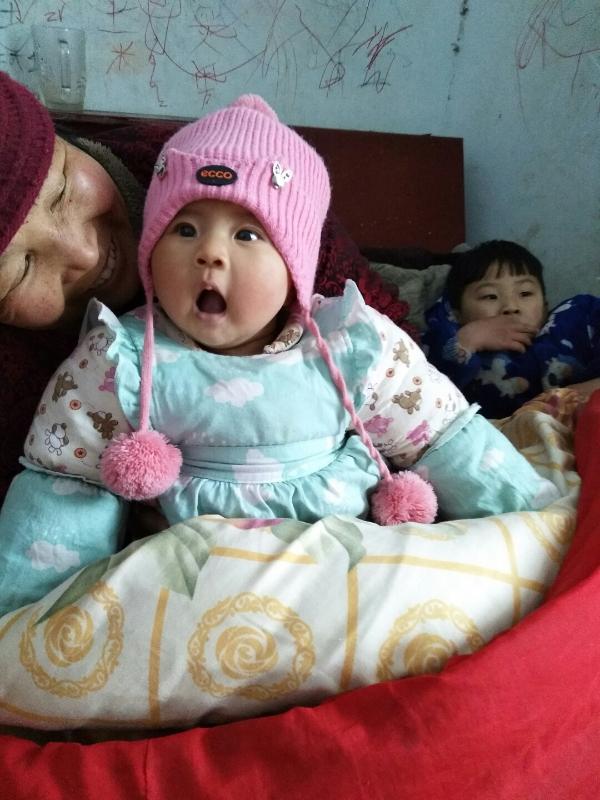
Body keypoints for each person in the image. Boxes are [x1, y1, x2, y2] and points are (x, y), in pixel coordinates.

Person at [0, 95, 559, 616]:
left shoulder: (352, 341)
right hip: (195, 597)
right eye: (185, 229)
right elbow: (62, 491)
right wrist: (24, 618)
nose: (210, 254)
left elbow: (443, 436)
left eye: (247, 236)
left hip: (349, 580)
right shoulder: (116, 361)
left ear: (297, 266)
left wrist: (541, 526)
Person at [0, 70, 411, 503]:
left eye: (62, 191)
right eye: (21, 268)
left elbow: (396, 374)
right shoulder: (43, 377)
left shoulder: (218, 165)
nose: (84, 253)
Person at [423, 240, 600, 418]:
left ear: (545, 306)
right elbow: (426, 397)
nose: (511, 307)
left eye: (525, 293)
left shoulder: (577, 317)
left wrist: (574, 395)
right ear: (457, 314)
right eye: (490, 296)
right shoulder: (448, 339)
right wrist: (467, 340)